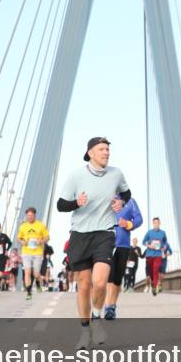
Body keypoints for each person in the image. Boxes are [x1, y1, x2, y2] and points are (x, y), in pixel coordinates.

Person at [56, 137, 131, 349]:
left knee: (100, 282)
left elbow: (126, 192)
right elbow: (60, 205)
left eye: (108, 149)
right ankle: (84, 331)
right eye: (102, 149)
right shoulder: (76, 176)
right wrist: (76, 203)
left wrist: (120, 201)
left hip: (105, 233)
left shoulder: (116, 174)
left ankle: (96, 318)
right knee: (84, 286)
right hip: (80, 234)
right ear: (90, 153)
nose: (106, 153)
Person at [105, 197, 142, 319]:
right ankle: (107, 306)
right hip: (106, 243)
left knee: (117, 278)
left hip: (123, 245)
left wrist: (128, 224)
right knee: (109, 276)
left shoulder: (130, 201)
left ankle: (112, 305)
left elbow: (139, 219)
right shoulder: (104, 197)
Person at [16, 206, 49, 300]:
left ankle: (38, 283)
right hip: (26, 252)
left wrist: (41, 241)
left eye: (31, 215)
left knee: (36, 274)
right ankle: (29, 292)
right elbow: (19, 238)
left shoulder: (41, 225)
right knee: (27, 272)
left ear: (34, 215)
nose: (29, 217)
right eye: (28, 215)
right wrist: (22, 242)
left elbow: (47, 237)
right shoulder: (23, 226)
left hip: (37, 253)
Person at [142, 218, 171, 296]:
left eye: (157, 222)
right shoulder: (149, 233)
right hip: (149, 255)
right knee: (151, 272)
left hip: (158, 255)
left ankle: (154, 287)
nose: (156, 224)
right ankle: (152, 283)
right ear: (153, 223)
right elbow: (143, 242)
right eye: (155, 223)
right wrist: (149, 246)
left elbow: (165, 242)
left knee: (155, 270)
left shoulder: (163, 233)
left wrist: (164, 247)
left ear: (159, 223)